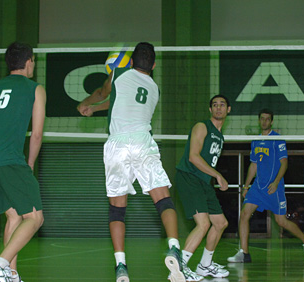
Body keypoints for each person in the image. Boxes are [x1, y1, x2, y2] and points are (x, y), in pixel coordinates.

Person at [77, 42, 185, 282]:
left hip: (117, 144)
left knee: (117, 209)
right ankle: (175, 248)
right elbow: (118, 100)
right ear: (154, 65)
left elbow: (104, 93)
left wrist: (86, 103)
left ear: (131, 62)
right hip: (142, 141)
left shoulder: (119, 73)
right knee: (164, 199)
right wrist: (95, 110)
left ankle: (121, 267)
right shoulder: (155, 89)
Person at [0, 42, 46, 282]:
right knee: (35, 217)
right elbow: (36, 134)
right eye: (33, 61)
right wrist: (30, 164)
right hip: (9, 161)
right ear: (28, 62)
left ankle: (11, 275)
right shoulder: (35, 88)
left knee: (15, 216)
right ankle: (0, 263)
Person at [228, 108, 304, 263]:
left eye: (267, 119)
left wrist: (276, 182)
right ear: (259, 120)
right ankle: (244, 253)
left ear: (272, 121)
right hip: (257, 187)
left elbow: (284, 163)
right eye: (262, 118)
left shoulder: (277, 139)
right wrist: (246, 186)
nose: (264, 121)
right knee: (244, 215)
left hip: (273, 188)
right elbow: (253, 165)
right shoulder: (255, 140)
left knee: (281, 221)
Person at [175, 94, 231, 280]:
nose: (218, 108)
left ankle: (205, 265)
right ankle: (179, 268)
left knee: (220, 223)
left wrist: (212, 177)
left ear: (228, 110)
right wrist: (217, 175)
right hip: (189, 177)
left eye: (222, 105)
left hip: (204, 182)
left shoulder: (220, 136)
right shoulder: (202, 126)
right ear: (210, 109)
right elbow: (193, 156)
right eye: (214, 105)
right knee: (203, 224)